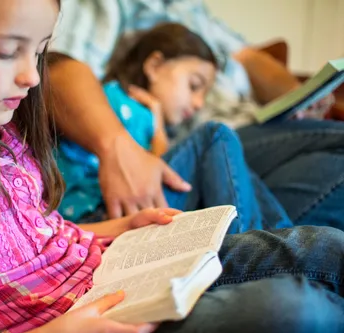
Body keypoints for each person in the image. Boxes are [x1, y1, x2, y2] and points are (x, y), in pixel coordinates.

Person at [0, 0, 344, 333]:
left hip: (111, 272)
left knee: (327, 247)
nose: (32, 76)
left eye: (38, 51)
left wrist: (124, 225)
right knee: (298, 310)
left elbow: (41, 237)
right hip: (90, 319)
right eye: (9, 51)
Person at [48, 0, 344, 226]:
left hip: (117, 206)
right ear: (153, 66)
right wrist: (157, 125)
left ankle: (289, 251)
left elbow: (151, 163)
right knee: (215, 136)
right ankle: (268, 251)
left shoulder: (195, 13)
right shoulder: (118, 99)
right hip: (98, 215)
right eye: (193, 85)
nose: (199, 103)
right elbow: (146, 168)